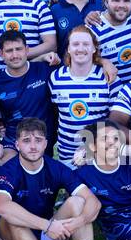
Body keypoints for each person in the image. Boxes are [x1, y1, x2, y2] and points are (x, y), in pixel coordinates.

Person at [0, 118, 103, 240]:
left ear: (47, 144)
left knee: (78, 203)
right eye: (26, 141)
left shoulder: (55, 167)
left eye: (38, 140)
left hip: (45, 236)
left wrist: (78, 222)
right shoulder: (8, 170)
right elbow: (2, 207)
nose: (33, 146)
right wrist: (48, 226)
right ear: (17, 144)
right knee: (13, 216)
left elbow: (93, 202)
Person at [0, 31, 57, 159]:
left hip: (42, 141)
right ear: (1, 54)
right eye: (9, 51)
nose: (15, 55)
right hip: (13, 141)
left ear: (27, 50)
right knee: (7, 169)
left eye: (18, 49)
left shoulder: (45, 70)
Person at [48, 27, 115, 164]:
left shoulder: (108, 78)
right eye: (75, 44)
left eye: (86, 44)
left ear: (94, 48)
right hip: (67, 156)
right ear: (68, 48)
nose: (80, 48)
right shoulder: (56, 78)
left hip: (99, 154)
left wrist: (91, 149)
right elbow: (57, 113)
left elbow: (114, 122)